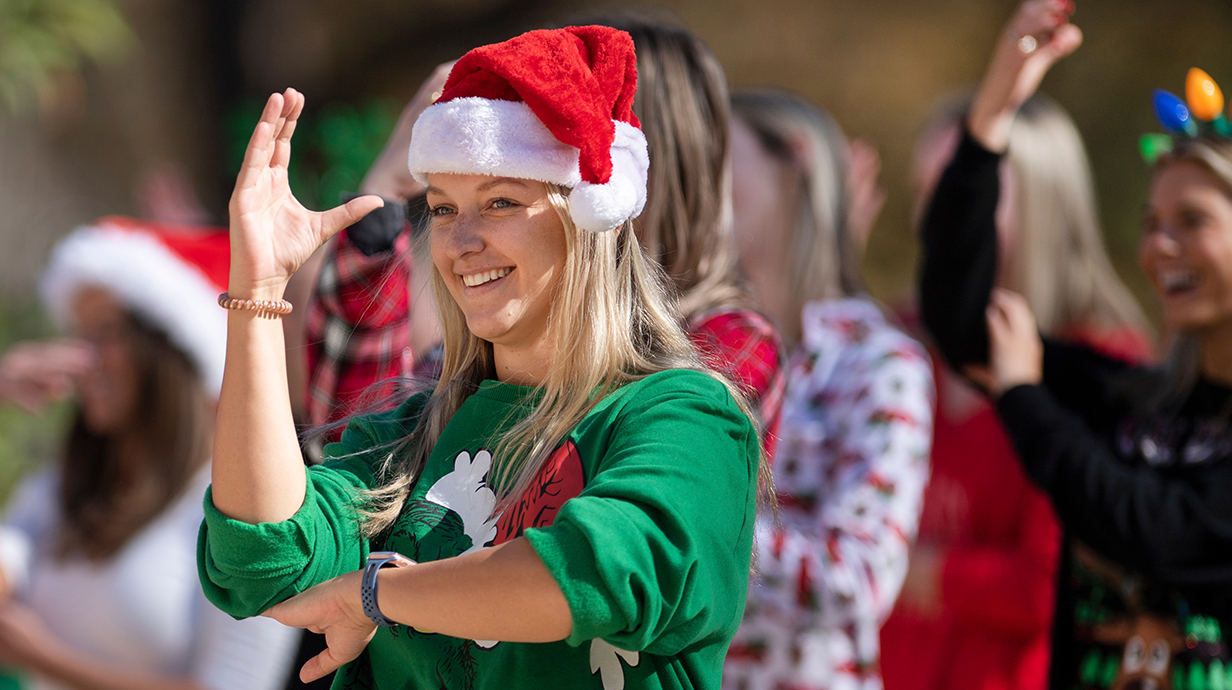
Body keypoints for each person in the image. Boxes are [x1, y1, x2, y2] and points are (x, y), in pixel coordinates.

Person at [198, 26, 763, 690]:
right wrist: (258, 294)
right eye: (442, 208)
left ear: (589, 219)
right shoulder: (409, 430)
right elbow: (258, 561)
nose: (461, 241)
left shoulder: (685, 417)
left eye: (501, 202)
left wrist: (373, 594)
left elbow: (589, 576)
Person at [918, 3, 1232, 689]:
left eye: (1193, 221)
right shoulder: (1133, 399)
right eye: (1152, 222)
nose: (1159, 245)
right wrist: (994, 112)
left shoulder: (1068, 408)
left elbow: (1155, 529)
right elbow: (963, 321)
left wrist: (1025, 399)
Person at [879, 3, 1154, 690]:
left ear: (1038, 199)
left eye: (956, 192)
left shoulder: (1109, 367)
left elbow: (1044, 585)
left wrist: (913, 569)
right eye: (923, 194)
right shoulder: (894, 344)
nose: (929, 221)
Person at [0, 217, 298, 690]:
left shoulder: (248, 518)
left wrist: (47, 660)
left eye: (105, 332)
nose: (83, 358)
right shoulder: (63, 487)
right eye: (80, 336)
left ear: (172, 350)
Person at [720, 90, 934, 690]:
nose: (700, 186)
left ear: (796, 165)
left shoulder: (878, 364)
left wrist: (694, 523)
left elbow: (860, 578)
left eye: (720, 160)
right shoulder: (690, 349)